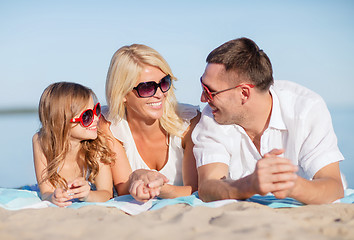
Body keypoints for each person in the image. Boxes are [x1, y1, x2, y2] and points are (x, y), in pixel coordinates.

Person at [192, 37, 345, 204]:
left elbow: (334, 187)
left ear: (244, 93)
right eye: (203, 86)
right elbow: (208, 187)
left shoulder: (306, 109)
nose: (202, 98)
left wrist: (291, 185)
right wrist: (250, 184)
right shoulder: (213, 116)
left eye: (209, 91)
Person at [100, 44, 200, 202]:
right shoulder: (110, 126)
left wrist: (159, 188)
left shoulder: (189, 123)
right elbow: (124, 191)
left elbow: (195, 190)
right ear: (122, 93)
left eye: (164, 83)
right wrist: (137, 175)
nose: (160, 94)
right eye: (147, 88)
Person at [32, 82, 115, 207]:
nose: (96, 119)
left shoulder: (96, 145)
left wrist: (88, 195)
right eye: (87, 116)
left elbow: (107, 193)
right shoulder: (41, 142)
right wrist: (53, 197)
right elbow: (46, 192)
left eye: (96, 110)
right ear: (61, 122)